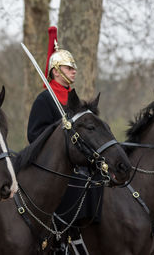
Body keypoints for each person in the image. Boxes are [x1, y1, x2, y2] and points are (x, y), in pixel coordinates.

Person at [27, 26, 102, 255]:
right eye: (70, 68)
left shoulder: (73, 100)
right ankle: (61, 236)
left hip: (76, 161)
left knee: (97, 177)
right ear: (56, 71)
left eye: (74, 67)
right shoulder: (45, 99)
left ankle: (85, 230)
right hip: (52, 164)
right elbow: (34, 134)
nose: (74, 71)